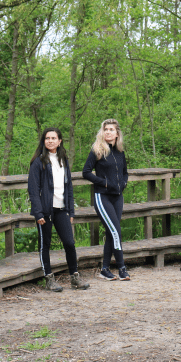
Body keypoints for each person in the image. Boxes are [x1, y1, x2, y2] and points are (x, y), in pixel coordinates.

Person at [28, 128, 90, 292]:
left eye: (53, 138)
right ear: (43, 141)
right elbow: (33, 190)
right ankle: (49, 278)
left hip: (62, 209)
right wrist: (38, 212)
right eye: (47, 138)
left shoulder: (63, 160)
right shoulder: (38, 162)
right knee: (45, 245)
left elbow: (68, 187)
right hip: (45, 211)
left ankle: (74, 277)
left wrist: (71, 210)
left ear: (59, 141)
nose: (50, 141)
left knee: (69, 242)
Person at [83, 119, 130, 281]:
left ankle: (105, 269)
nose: (108, 132)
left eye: (111, 129)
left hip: (118, 197)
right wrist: (104, 183)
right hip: (102, 197)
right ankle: (122, 268)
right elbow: (86, 172)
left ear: (117, 133)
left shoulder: (120, 152)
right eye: (105, 129)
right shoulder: (97, 150)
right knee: (116, 231)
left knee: (112, 232)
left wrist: (123, 184)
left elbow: (125, 172)